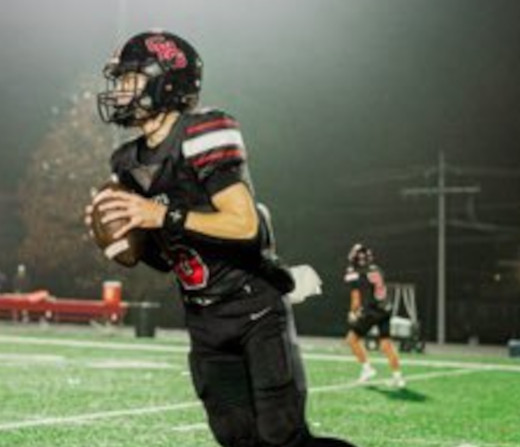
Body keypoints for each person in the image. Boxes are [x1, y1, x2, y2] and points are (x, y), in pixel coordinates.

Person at [88, 30, 355, 447]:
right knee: (236, 438)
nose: (120, 90)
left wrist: (161, 214)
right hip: (204, 319)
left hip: (254, 309)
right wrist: (127, 243)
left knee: (282, 437)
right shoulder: (127, 163)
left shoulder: (202, 132)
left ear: (166, 81)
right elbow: (170, 259)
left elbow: (243, 225)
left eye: (130, 79)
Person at [343, 243, 405, 387]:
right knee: (386, 344)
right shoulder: (377, 269)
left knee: (352, 339)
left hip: (373, 310)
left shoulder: (356, 273)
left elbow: (356, 297)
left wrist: (353, 312)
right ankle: (398, 377)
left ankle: (367, 369)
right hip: (385, 308)